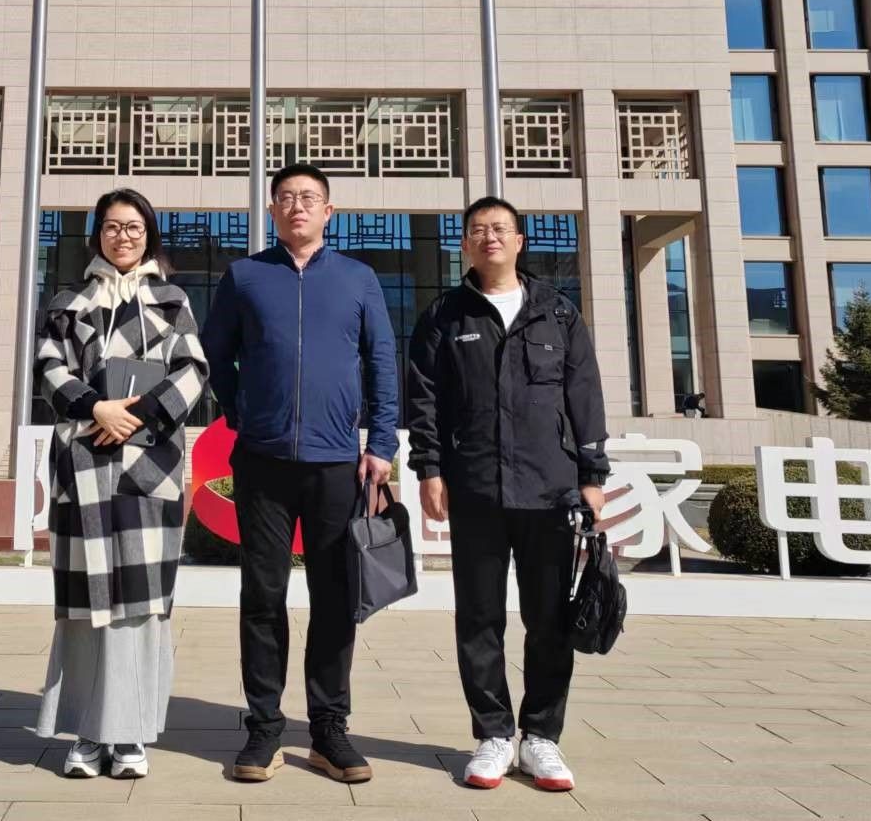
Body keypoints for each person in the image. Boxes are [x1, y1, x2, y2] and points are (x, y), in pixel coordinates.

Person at [201, 162, 399, 784]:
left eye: (309, 197)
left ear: (328, 211)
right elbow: (215, 353)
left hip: (337, 463)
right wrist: (241, 412)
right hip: (261, 462)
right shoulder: (245, 276)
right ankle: (263, 727)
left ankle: (328, 729)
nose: (297, 206)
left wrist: (382, 442)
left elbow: (382, 362)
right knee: (263, 596)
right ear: (272, 209)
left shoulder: (358, 278)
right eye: (286, 197)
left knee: (335, 597)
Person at [404, 195, 610, 793]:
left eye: (499, 229)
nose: (489, 237)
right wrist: (429, 469)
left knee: (549, 619)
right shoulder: (444, 315)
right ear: (465, 245)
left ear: (519, 241)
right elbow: (424, 400)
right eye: (477, 230)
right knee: (480, 618)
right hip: (476, 489)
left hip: (550, 491)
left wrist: (592, 476)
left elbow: (584, 395)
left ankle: (541, 736)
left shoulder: (558, 313)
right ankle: (493, 734)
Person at [34, 188, 210, 781]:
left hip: (148, 468)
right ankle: (87, 733)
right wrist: (95, 409)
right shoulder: (70, 302)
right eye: (112, 226)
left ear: (149, 234)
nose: (123, 237)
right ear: (98, 234)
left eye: (134, 227)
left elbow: (194, 371)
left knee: (140, 603)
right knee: (85, 605)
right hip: (83, 466)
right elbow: (48, 367)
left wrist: (135, 417)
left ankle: (130, 731)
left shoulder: (171, 300)